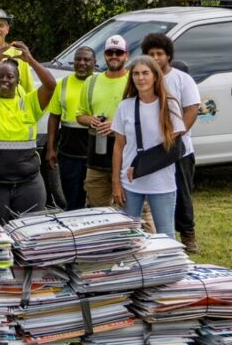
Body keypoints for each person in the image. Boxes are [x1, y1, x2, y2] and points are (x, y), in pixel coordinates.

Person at [0, 41, 55, 228]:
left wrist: (30, 60)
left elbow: (51, 85)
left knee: (27, 237)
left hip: (28, 185)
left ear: (18, 81)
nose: (4, 80)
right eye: (0, 76)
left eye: (10, 76)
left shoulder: (29, 104)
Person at [141, 32, 202, 252]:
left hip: (179, 148)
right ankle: (163, 237)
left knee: (182, 193)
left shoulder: (182, 79)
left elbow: (192, 110)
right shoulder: (143, 79)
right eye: (151, 54)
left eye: (160, 54)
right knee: (155, 193)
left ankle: (188, 236)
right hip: (151, 150)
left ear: (169, 56)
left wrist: (175, 135)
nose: (156, 58)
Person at [112, 55, 184, 237]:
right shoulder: (125, 106)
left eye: (145, 73)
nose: (140, 78)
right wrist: (116, 183)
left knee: (165, 235)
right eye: (136, 74)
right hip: (130, 182)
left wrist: (141, 166)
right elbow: (119, 146)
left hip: (162, 183)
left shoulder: (169, 105)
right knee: (129, 235)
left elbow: (173, 149)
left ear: (155, 76)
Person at [75, 34, 131, 208]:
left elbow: (143, 117)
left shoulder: (134, 80)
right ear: (104, 55)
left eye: (118, 52)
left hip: (127, 158)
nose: (114, 56)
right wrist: (90, 120)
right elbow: (80, 115)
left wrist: (115, 125)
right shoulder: (91, 81)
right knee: (98, 212)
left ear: (126, 55)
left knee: (136, 214)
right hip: (97, 159)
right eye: (110, 52)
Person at [45, 46, 97, 210]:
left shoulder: (100, 82)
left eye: (86, 60)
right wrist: (50, 149)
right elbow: (54, 117)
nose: (82, 63)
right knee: (72, 201)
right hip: (69, 152)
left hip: (96, 152)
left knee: (96, 201)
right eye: (78, 59)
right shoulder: (63, 84)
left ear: (94, 63)